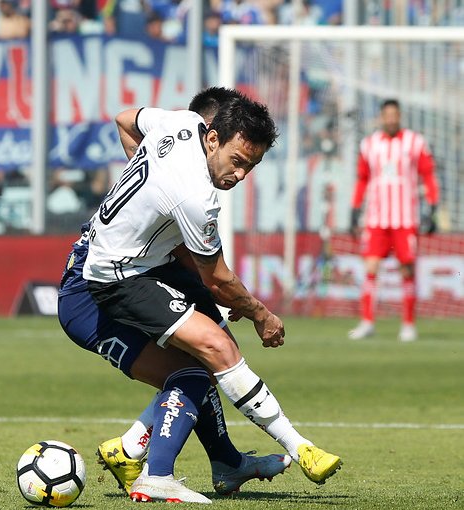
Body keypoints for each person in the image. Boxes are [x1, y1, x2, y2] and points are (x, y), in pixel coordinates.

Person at [59, 89, 341, 503]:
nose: (241, 176)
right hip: (108, 280)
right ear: (212, 138)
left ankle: (200, 458)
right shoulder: (195, 195)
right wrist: (264, 315)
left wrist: (146, 197)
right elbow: (219, 280)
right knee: (210, 351)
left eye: (252, 167)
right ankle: (294, 449)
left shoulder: (178, 123)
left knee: (212, 349)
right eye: (238, 162)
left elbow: (124, 119)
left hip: (146, 264)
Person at [347, 98, 439, 342]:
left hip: (405, 217)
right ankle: (367, 322)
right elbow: (362, 179)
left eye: (394, 115)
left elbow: (428, 175)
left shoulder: (414, 142)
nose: (390, 119)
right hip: (376, 217)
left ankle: (408, 325)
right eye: (386, 115)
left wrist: (432, 205)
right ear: (381, 117)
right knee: (370, 267)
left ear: (399, 116)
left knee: (407, 269)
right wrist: (355, 209)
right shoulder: (369, 144)